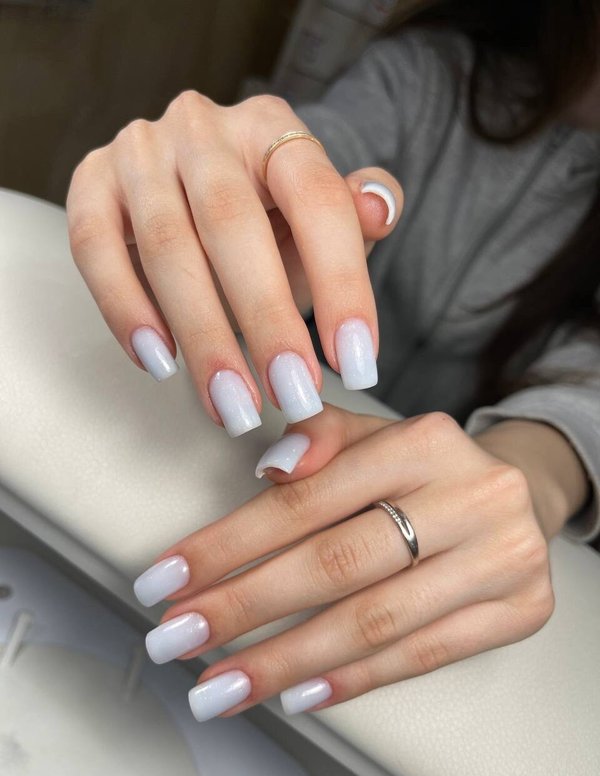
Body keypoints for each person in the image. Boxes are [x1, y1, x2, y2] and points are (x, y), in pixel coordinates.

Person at [66, 0, 600, 722]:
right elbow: (326, 151)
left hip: (411, 642)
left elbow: (584, 399)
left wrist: (525, 480)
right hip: (216, 468)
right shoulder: (429, 71)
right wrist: (231, 185)